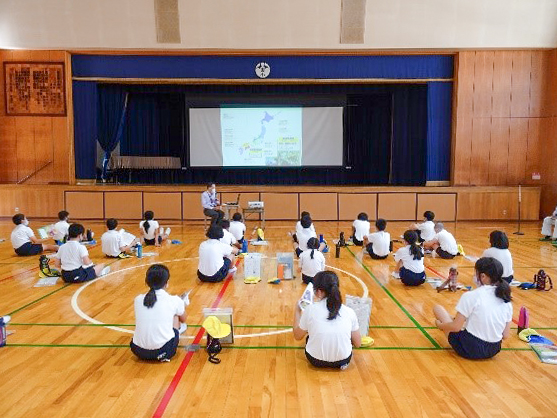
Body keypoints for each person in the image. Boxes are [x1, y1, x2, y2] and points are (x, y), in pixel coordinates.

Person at [433, 257, 512, 360]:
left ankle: (448, 323)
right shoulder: (506, 299)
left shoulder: (472, 295)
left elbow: (456, 327)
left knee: (437, 309)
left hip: (471, 348)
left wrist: (441, 325)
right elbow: (505, 335)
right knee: (462, 322)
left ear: (482, 276)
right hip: (494, 349)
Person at [293, 271, 361, 369]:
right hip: (343, 360)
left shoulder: (310, 310)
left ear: (319, 292)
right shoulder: (349, 311)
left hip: (315, 360)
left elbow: (297, 336)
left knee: (309, 337)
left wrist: (297, 310)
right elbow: (358, 343)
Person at [130, 264, 187, 362]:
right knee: (176, 315)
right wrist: (183, 303)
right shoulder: (174, 300)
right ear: (167, 282)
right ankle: (175, 332)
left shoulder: (138, 299)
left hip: (137, 350)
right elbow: (183, 319)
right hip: (163, 351)